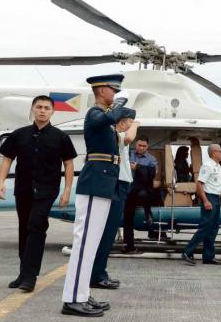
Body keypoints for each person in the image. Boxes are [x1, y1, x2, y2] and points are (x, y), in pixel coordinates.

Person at [61, 74, 128, 317]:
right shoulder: (95, 113)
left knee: (91, 244)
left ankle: (81, 294)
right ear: (101, 91)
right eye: (113, 89)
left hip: (103, 183)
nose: (116, 94)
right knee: (83, 243)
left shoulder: (105, 118)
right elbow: (111, 115)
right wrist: (121, 104)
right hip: (95, 183)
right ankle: (71, 299)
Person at [0, 95, 77, 292]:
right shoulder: (19, 134)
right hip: (22, 189)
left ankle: (30, 276)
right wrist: (0, 183)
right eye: (39, 107)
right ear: (33, 109)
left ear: (52, 112)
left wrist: (66, 190)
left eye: (46, 108)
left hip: (47, 190)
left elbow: (68, 164)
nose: (42, 111)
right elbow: (6, 159)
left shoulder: (60, 137)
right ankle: (23, 272)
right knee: (24, 228)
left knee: (36, 225)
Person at [90, 107, 139, 290]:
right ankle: (97, 275)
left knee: (109, 232)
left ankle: (99, 273)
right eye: (128, 123)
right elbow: (128, 138)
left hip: (121, 183)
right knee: (107, 231)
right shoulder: (116, 135)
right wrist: (135, 124)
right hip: (116, 184)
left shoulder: (115, 136)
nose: (129, 126)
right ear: (121, 123)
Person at [181, 144, 221, 265]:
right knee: (205, 227)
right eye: (219, 151)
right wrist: (205, 201)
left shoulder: (217, 166)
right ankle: (187, 252)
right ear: (213, 153)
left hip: (216, 198)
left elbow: (219, 187)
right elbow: (199, 185)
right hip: (209, 198)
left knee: (213, 229)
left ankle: (208, 257)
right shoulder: (207, 165)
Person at [123, 135, 158, 253]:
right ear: (135, 145)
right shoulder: (128, 154)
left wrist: (138, 167)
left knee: (143, 194)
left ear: (147, 146)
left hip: (143, 190)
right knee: (128, 218)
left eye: (144, 146)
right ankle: (129, 246)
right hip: (129, 190)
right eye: (139, 145)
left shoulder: (151, 159)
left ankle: (148, 212)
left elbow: (151, 174)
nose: (141, 148)